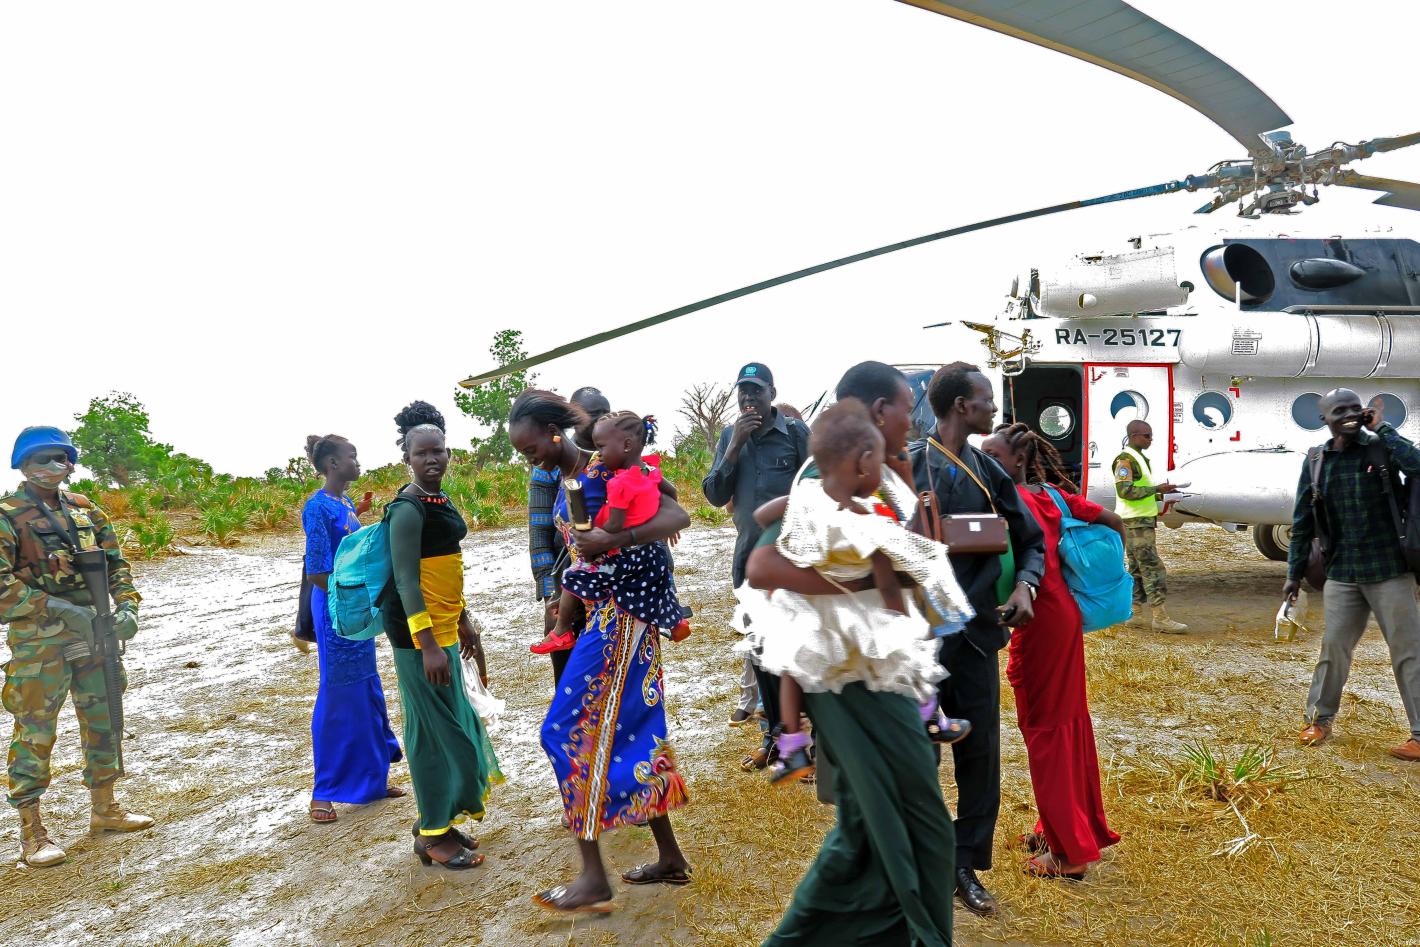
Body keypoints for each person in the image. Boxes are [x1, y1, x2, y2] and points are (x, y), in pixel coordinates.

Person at [749, 361, 958, 947]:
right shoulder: (826, 480)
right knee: (913, 829)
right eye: (907, 409)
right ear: (878, 413)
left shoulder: (881, 477)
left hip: (883, 672)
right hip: (852, 682)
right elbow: (763, 566)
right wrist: (859, 584)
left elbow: (915, 563)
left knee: (873, 835)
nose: (913, 421)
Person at [736, 399, 971, 786]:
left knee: (792, 670)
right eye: (879, 463)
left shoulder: (807, 497)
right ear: (862, 464)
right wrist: (906, 623)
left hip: (804, 614)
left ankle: (792, 747)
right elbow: (889, 583)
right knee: (914, 653)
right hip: (853, 624)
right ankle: (929, 712)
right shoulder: (866, 519)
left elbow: (761, 515)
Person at [533, 417, 693, 915]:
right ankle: (670, 856)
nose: (529, 457)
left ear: (553, 432)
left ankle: (593, 877)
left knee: (565, 731)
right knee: (633, 732)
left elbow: (677, 514)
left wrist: (614, 540)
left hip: (622, 619)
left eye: (530, 446)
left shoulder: (608, 471)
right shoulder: (569, 480)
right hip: (609, 615)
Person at [910, 361, 1046, 917]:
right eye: (987, 399)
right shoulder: (906, 466)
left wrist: (1027, 586)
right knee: (917, 757)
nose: (994, 408)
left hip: (975, 636)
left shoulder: (990, 471)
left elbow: (1031, 539)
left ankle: (963, 864)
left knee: (981, 755)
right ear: (961, 406)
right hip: (918, 642)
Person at [1, 426, 151, 868]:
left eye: (62, 458)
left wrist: (128, 608)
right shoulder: (7, 515)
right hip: (39, 642)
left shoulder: (86, 510)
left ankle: (105, 808)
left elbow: (116, 564)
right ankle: (32, 832)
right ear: (23, 464)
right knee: (35, 731)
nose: (55, 466)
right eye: (43, 459)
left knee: (104, 719)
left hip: (95, 633)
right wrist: (58, 608)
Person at [981, 423, 1122, 880]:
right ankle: (1062, 828)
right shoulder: (1054, 497)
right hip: (1061, 614)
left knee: (1046, 729)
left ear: (1018, 461)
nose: (984, 463)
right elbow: (1113, 521)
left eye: (992, 456)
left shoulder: (1008, 502)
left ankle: (1069, 853)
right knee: (1066, 722)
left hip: (1039, 619)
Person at [382, 402, 502, 868]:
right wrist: (428, 644)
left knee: (454, 726)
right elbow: (406, 581)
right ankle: (434, 834)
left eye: (439, 451)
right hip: (418, 638)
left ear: (449, 453)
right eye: (422, 453)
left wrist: (464, 619)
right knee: (435, 734)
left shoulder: (439, 500)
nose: (432, 459)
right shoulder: (407, 508)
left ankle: (436, 824)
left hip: (445, 628)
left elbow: (446, 570)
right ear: (407, 459)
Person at [1283, 388, 1420, 761]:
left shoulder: (1380, 447)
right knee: (1334, 648)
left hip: (1389, 570)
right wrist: (1293, 575)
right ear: (1324, 419)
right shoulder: (1316, 461)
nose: (1348, 414)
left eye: (1354, 408)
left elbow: (1417, 466)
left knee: (1408, 650)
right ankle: (1318, 721)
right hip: (1342, 573)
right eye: (1339, 410)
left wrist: (1384, 429)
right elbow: (1302, 521)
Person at [702, 362, 811, 752]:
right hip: (750, 562)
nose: (749, 398)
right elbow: (714, 495)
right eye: (743, 392)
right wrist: (734, 446)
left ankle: (809, 742)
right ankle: (774, 738)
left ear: (772, 394)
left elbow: (818, 488)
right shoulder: (730, 436)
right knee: (763, 653)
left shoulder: (795, 433)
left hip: (793, 562)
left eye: (757, 391)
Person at [300, 434, 403, 824]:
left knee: (364, 687)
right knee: (337, 694)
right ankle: (324, 791)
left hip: (353, 606)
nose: (357, 463)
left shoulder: (342, 502)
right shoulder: (316, 507)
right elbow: (318, 571)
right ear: (332, 464)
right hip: (335, 610)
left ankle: (373, 777)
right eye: (352, 456)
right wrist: (351, 599)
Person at [551, 412, 689, 647]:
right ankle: (675, 621)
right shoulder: (647, 469)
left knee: (575, 574)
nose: (599, 454)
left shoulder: (619, 482)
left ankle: (562, 629)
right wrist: (665, 526)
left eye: (601, 447)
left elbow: (615, 523)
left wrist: (603, 536)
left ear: (626, 445)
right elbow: (672, 492)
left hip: (632, 551)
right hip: (653, 550)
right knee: (660, 579)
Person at [519, 388, 605, 679]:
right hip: (565, 585)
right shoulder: (549, 469)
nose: (598, 421)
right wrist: (550, 595)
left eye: (604, 414)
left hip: (607, 594)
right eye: (592, 415)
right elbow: (539, 535)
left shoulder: (611, 463)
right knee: (569, 677)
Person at [1113, 420, 1187, 633]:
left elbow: (1138, 491)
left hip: (1136, 521)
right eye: (1146, 436)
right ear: (1133, 436)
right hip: (1136, 523)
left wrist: (1163, 494)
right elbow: (1125, 491)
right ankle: (1160, 618)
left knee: (1137, 568)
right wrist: (1156, 489)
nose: (1150, 439)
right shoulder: (1126, 460)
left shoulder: (1137, 459)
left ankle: (1135, 614)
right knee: (1153, 568)